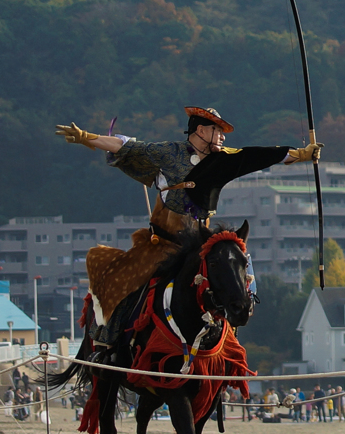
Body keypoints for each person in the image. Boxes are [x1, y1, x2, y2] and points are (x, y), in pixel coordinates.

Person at [54, 107, 322, 328]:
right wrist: (86, 137)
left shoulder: (223, 159)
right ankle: (110, 338)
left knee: (234, 270)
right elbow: (128, 147)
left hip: (198, 243)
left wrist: (301, 154)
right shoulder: (169, 152)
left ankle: (230, 326)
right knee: (126, 281)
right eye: (218, 131)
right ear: (201, 131)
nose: (223, 137)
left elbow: (260, 155)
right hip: (163, 243)